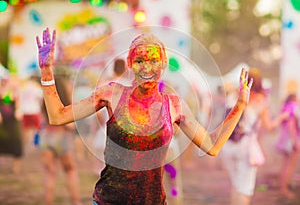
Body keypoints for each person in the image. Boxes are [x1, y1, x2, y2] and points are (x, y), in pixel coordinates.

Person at [36, 28, 252, 205]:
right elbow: (57, 116)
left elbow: (212, 145)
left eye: (153, 61)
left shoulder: (174, 105)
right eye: (140, 61)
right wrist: (46, 72)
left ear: (163, 63)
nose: (147, 67)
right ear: (130, 64)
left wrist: (240, 106)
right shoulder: (111, 94)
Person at [220, 68, 288, 205]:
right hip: (246, 147)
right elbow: (268, 126)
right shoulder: (261, 100)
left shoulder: (234, 95)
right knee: (244, 188)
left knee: (236, 185)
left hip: (227, 146)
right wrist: (281, 118)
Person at [39, 75, 81, 205]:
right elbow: (70, 125)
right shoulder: (66, 104)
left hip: (46, 137)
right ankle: (76, 202)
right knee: (70, 171)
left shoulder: (45, 101)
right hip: (62, 137)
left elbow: (42, 120)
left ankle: (48, 202)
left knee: (50, 173)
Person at [275, 93, 300, 199]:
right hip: (291, 141)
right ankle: (284, 190)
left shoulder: (286, 107)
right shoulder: (294, 108)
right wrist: (295, 141)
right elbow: (291, 125)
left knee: (285, 165)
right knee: (289, 166)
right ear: (294, 99)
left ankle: (284, 186)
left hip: (285, 139)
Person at [0, 73, 23, 174]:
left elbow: (19, 105)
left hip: (13, 122)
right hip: (3, 121)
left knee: (16, 143)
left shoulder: (17, 92)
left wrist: (18, 109)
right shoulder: (3, 90)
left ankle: (16, 167)